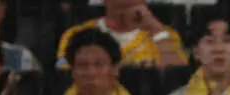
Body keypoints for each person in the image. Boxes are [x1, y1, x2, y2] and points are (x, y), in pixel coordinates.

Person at [56, 0, 186, 69]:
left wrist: (156, 30)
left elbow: (175, 80)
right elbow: (65, 80)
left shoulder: (165, 35)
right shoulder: (76, 35)